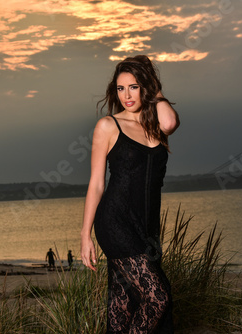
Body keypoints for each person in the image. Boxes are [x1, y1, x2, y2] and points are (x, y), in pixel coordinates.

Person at [80, 55, 179, 333]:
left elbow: (170, 122)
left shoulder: (155, 124)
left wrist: (154, 88)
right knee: (158, 297)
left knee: (123, 305)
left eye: (134, 87)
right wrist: (85, 235)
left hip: (146, 225)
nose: (126, 95)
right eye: (121, 88)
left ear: (145, 87)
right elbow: (97, 183)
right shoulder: (108, 126)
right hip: (115, 221)